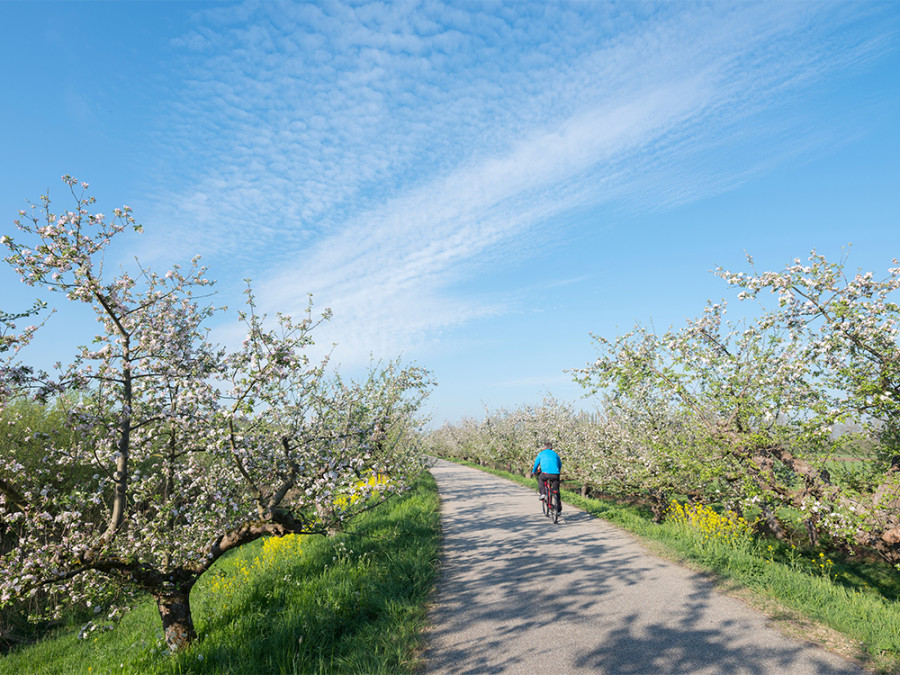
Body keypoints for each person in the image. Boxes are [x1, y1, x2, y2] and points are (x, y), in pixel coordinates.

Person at [529, 440, 561, 513]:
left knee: (541, 479)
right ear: (551, 448)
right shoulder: (555, 454)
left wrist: (533, 471)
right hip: (555, 474)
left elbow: (536, 464)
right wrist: (558, 471)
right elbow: (560, 464)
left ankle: (543, 493)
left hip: (545, 474)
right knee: (556, 490)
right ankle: (558, 510)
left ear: (544, 448)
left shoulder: (541, 454)